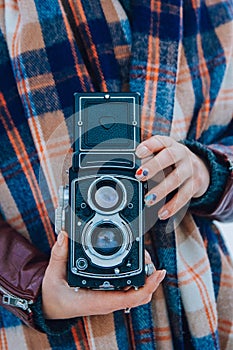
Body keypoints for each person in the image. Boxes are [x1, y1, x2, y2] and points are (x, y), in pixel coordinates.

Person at [0, 0, 232, 349]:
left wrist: (204, 171)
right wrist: (31, 286)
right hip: (48, 334)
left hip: (199, 307)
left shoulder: (210, 6)